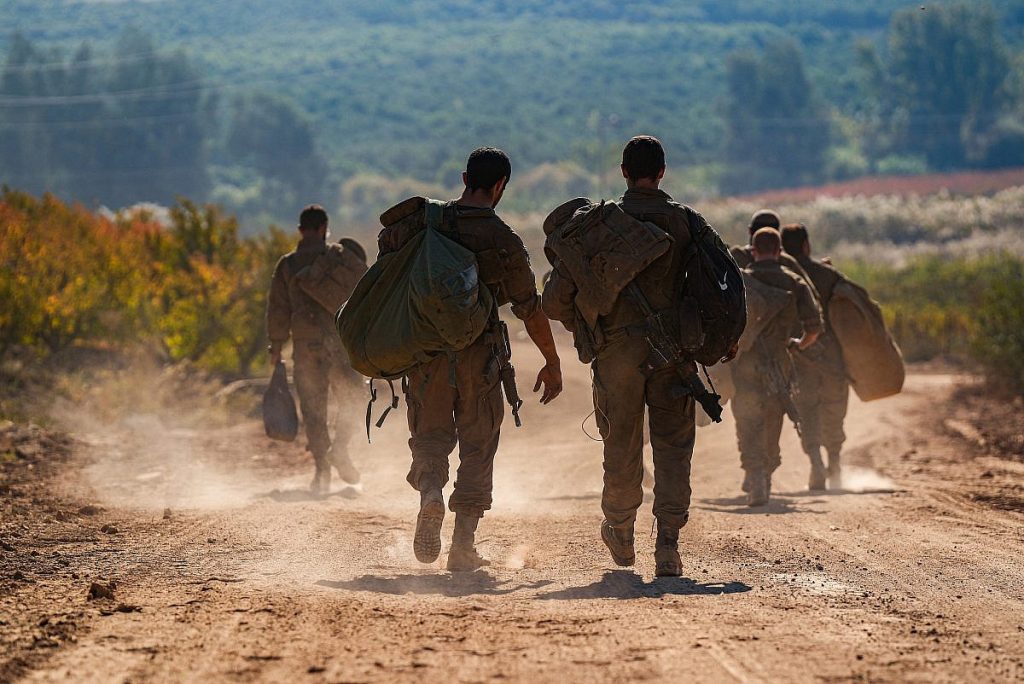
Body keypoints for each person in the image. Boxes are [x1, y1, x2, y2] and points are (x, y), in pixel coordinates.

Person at [543, 135, 730, 577]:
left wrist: (588, 317)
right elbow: (716, 286)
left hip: (617, 355)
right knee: (673, 448)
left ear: (623, 172)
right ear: (662, 172)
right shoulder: (686, 222)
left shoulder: (599, 225)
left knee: (621, 444)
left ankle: (622, 532)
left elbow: (553, 302)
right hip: (675, 355)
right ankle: (668, 546)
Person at [377, 147, 563, 571]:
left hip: (428, 356)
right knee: (478, 446)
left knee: (430, 437)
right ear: (500, 187)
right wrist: (552, 360)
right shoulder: (504, 239)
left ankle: (430, 495)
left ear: (464, 178)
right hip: (480, 358)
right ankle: (462, 546)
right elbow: (528, 307)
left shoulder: (427, 225)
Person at [266, 205, 367, 495]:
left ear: (301, 230)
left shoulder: (287, 265)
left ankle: (321, 470)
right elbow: (365, 289)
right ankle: (341, 448)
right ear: (324, 228)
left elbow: (278, 309)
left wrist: (275, 346)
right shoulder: (340, 257)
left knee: (313, 409)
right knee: (353, 398)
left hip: (305, 347)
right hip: (340, 343)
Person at [731, 227, 822, 506]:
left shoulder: (740, 282)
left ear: (753, 251)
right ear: (780, 252)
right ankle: (765, 473)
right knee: (773, 418)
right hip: (780, 362)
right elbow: (814, 328)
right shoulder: (795, 283)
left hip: (745, 362)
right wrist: (797, 345)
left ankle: (755, 473)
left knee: (747, 419)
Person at [781, 223, 849, 490]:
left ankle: (816, 465)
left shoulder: (784, 275)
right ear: (807, 246)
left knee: (807, 412)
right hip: (832, 359)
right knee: (834, 411)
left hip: (799, 357)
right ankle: (835, 464)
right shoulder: (828, 275)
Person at [731, 209, 819, 302]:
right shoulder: (788, 263)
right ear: (777, 234)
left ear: (750, 231)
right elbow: (811, 299)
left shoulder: (734, 258)